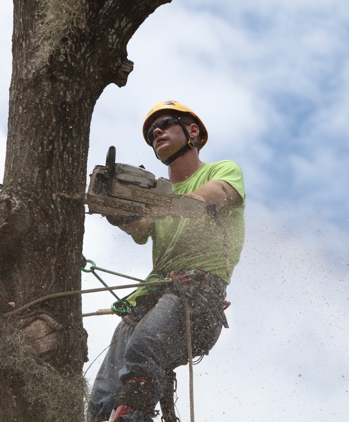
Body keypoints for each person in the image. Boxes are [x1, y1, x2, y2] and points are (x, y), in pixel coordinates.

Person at [88, 100, 245, 422]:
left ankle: (134, 414)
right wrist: (122, 213)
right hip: (151, 295)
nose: (156, 131)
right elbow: (142, 229)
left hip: (197, 292)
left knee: (143, 352)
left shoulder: (220, 171)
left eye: (164, 124)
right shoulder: (159, 195)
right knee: (102, 394)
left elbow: (216, 194)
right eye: (150, 132)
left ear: (192, 131)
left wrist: (167, 203)